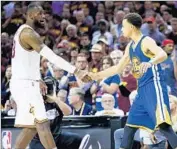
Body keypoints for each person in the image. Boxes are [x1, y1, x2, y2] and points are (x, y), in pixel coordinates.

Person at [86, 13, 177, 149]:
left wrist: (150, 62)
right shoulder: (130, 47)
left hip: (154, 87)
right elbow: (118, 68)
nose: (122, 30)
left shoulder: (146, 41)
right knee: (129, 128)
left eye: (123, 26)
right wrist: (96, 75)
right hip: (141, 91)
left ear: (131, 27)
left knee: (164, 126)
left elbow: (162, 54)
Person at [10, 3, 85, 149]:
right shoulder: (28, 34)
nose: (44, 16)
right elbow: (51, 56)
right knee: (43, 124)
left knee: (31, 128)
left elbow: (27, 61)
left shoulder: (23, 32)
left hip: (24, 82)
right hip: (25, 85)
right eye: (40, 14)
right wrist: (76, 70)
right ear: (31, 15)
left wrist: (38, 78)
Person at [29, 77, 91, 149]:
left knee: (76, 139)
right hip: (39, 139)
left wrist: (55, 99)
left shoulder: (55, 102)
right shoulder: (35, 102)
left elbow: (68, 112)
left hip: (56, 135)